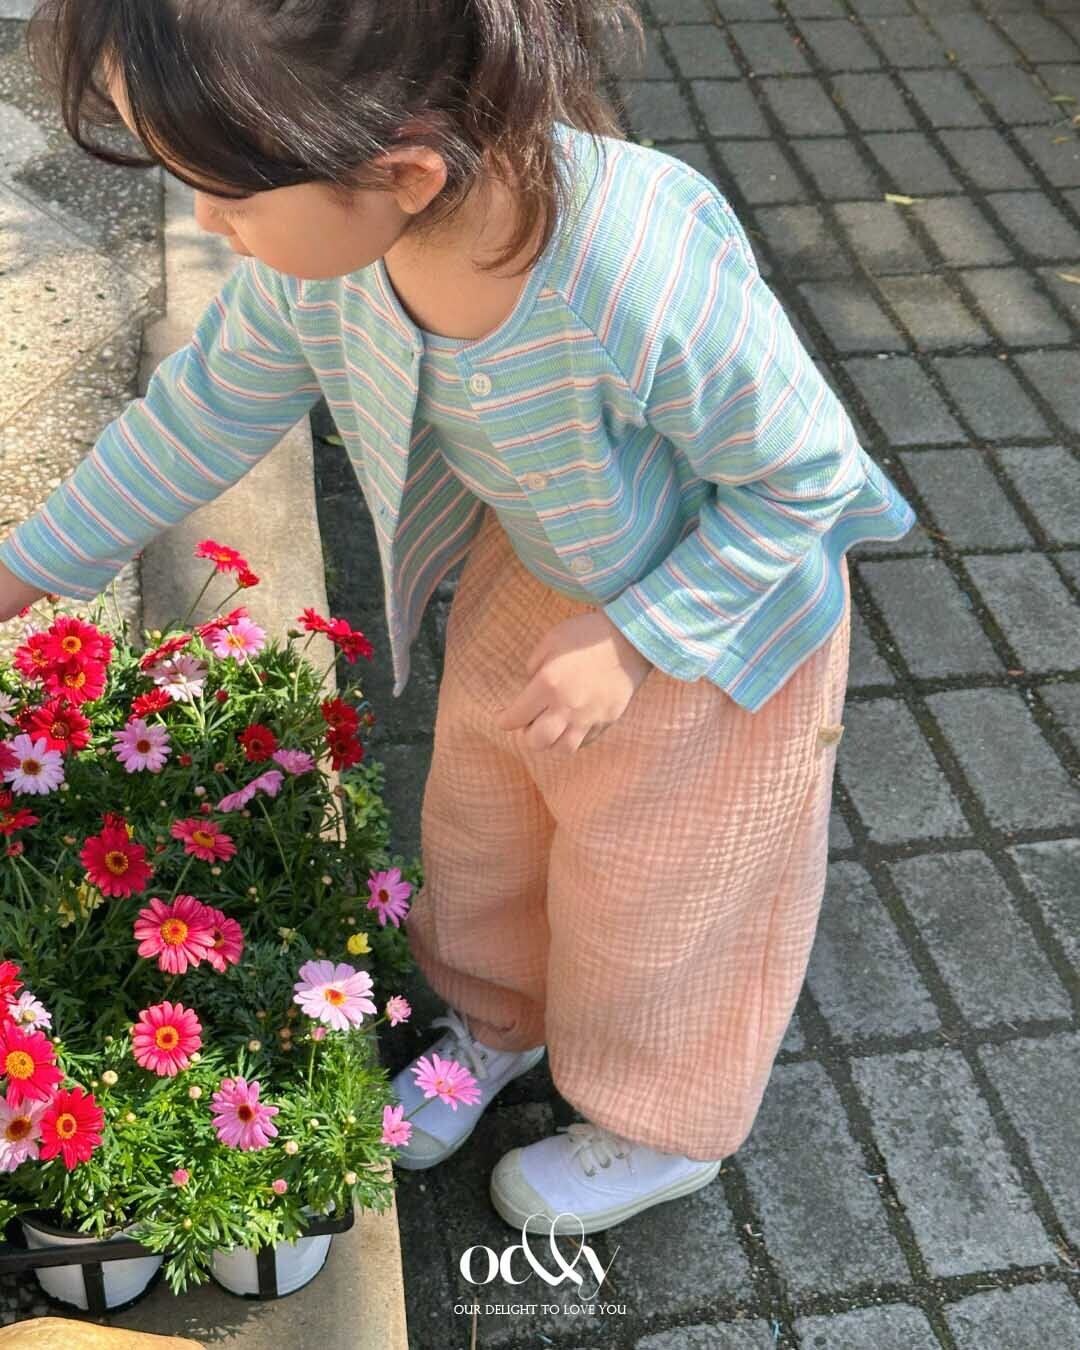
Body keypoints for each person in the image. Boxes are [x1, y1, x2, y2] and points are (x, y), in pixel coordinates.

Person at [0, 0, 917, 1236]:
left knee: (657, 895)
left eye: (225, 192)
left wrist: (636, 634)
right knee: (483, 826)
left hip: (719, 627)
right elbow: (198, 415)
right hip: (542, 573)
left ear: (405, 173)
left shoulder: (635, 273)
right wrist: (26, 568)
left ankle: (657, 1122)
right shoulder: (331, 260)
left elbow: (808, 478)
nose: (206, 225)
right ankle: (492, 1026)